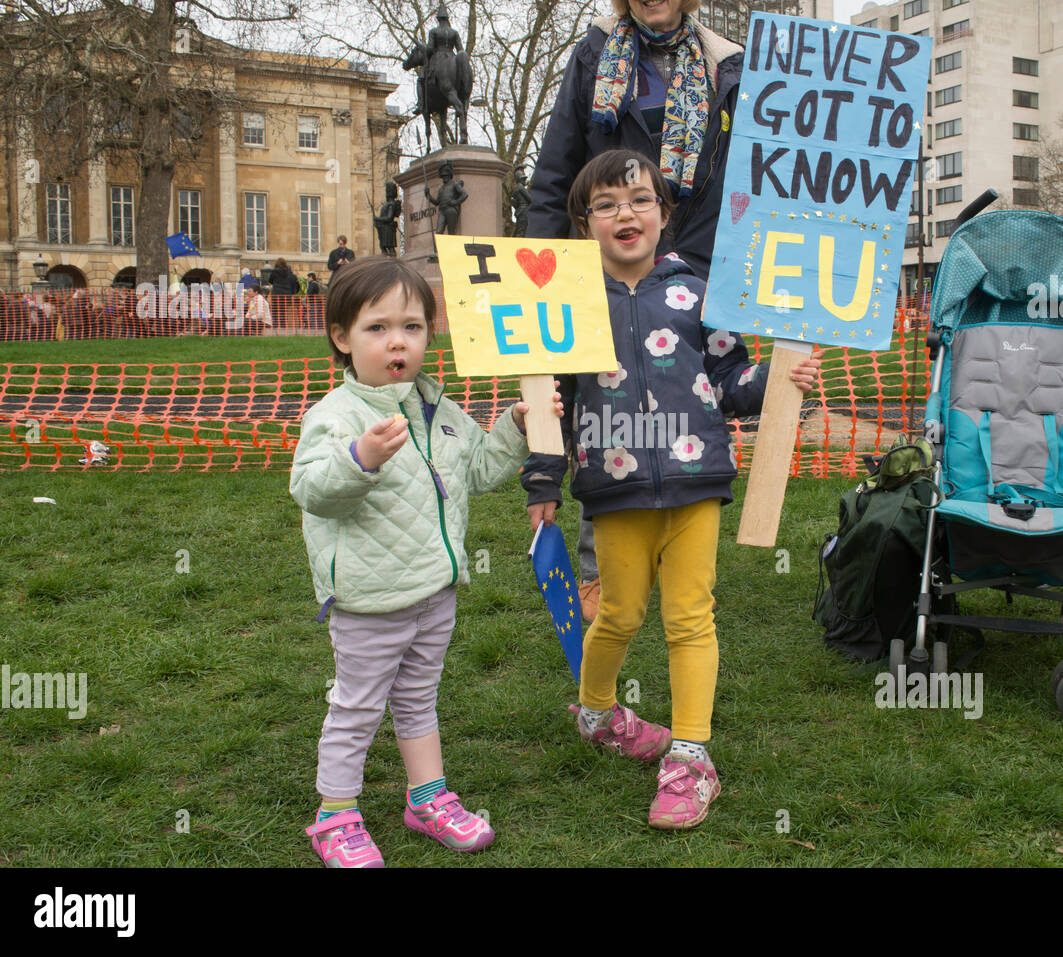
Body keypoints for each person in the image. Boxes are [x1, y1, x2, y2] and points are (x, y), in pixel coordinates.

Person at [521, 150, 820, 830]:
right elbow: (549, 398)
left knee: (691, 615)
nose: (624, 213)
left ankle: (690, 755)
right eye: (605, 203)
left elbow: (729, 380)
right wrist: (542, 477)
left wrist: (776, 378)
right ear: (583, 221)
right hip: (612, 487)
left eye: (639, 198)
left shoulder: (701, 292)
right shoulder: (564, 301)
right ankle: (597, 713)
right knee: (620, 614)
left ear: (664, 212)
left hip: (695, 483)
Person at [291, 256, 561, 867]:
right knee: (356, 704)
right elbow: (311, 491)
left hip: (436, 591)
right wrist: (359, 458)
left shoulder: (437, 408)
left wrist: (517, 425)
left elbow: (483, 469)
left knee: (418, 697)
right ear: (341, 337)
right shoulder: (336, 417)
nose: (397, 341)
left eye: (412, 327)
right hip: (368, 598)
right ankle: (335, 815)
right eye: (378, 327)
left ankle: (427, 799)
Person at [529, 0, 745, 619]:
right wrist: (542, 280)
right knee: (607, 400)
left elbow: (744, 177)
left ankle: (681, 562)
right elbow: (553, 175)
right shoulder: (593, 54)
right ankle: (602, 576)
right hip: (603, 272)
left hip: (693, 265)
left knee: (684, 401)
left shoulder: (728, 64)